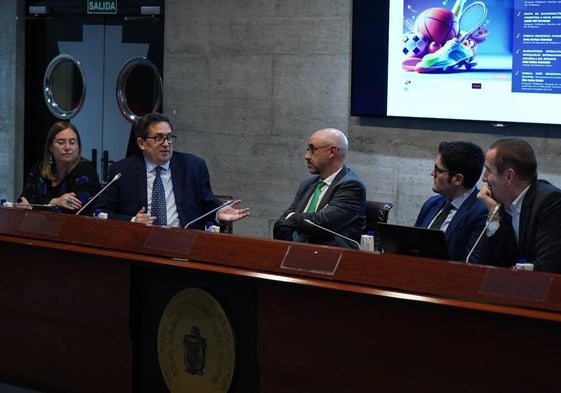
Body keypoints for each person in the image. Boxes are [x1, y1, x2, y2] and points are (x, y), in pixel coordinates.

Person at [93, 112, 249, 229]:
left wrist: (218, 215)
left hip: (182, 245)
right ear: (141, 143)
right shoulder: (122, 171)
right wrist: (133, 221)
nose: (166, 144)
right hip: (137, 246)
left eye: (169, 137)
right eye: (158, 138)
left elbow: (207, 209)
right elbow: (99, 212)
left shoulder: (193, 167)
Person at [477, 137, 561, 273]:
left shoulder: (551, 203)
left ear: (509, 176)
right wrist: (494, 214)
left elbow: (548, 266)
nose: (484, 178)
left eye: (488, 171)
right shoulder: (501, 203)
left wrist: (509, 273)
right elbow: (486, 264)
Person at [273, 128, 366, 249]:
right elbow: (280, 225)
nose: (306, 156)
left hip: (332, 259)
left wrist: (293, 217)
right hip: (295, 254)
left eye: (312, 149)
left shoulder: (351, 186)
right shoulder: (308, 184)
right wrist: (296, 221)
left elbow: (320, 224)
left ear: (331, 152)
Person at [415, 141, 487, 263]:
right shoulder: (431, 204)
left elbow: (471, 263)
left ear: (457, 179)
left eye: (438, 170)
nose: (432, 173)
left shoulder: (482, 212)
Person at [18, 121, 101, 214]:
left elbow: (71, 211)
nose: (67, 147)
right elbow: (22, 202)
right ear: (50, 146)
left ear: (78, 145)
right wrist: (55, 202)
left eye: (72, 142)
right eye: (61, 142)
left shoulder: (86, 171)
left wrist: (34, 207)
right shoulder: (39, 168)